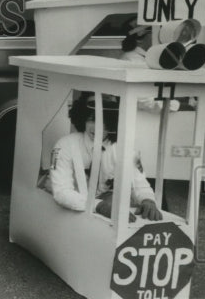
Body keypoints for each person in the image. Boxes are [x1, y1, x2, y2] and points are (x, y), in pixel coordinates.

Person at [43, 92, 162, 222]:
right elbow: (61, 192)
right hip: (66, 206)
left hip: (101, 205)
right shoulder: (65, 145)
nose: (97, 127)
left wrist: (147, 199)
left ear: (114, 123)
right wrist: (98, 205)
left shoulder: (123, 148)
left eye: (105, 121)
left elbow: (139, 183)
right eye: (91, 119)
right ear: (82, 118)